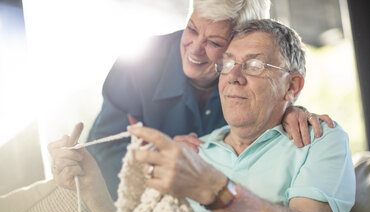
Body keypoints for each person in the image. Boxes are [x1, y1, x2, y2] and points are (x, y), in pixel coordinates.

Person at [127, 20, 356, 212]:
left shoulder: (319, 138)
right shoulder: (193, 152)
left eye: (255, 65)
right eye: (227, 63)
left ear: (291, 87)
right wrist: (90, 179)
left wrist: (213, 189)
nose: (233, 76)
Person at [87, 0, 334, 200]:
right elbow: (100, 151)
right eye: (192, 29)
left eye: (214, 42)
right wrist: (159, 161)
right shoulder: (137, 65)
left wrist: (286, 110)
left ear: (242, 41)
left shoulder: (247, 83)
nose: (194, 49)